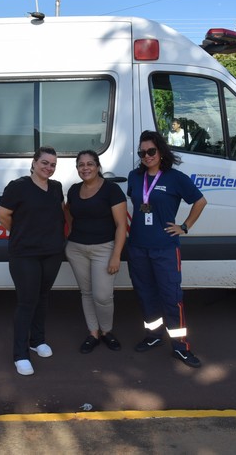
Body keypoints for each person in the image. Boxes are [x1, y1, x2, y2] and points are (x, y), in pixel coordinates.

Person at [126, 130, 207, 368]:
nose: (147, 156)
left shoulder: (175, 178)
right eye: (142, 153)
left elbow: (200, 201)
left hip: (165, 249)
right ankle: (153, 336)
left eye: (151, 151)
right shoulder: (134, 177)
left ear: (161, 152)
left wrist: (184, 226)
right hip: (138, 248)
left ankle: (180, 347)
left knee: (172, 298)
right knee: (146, 295)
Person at [0, 146, 65, 376]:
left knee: (43, 297)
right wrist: (21, 233)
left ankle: (37, 341)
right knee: (27, 302)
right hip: (24, 254)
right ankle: (20, 354)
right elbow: (2, 214)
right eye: (45, 162)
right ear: (34, 163)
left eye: (53, 164)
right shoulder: (18, 187)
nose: (49, 167)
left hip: (52, 253)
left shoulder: (56, 188)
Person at [65, 150, 128, 354]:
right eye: (81, 165)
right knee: (86, 292)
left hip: (104, 249)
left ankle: (106, 331)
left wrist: (116, 255)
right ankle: (93, 333)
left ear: (98, 167)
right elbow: (68, 213)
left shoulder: (112, 190)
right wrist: (74, 234)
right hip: (76, 249)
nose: (86, 168)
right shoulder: (74, 190)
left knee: (102, 296)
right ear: (77, 168)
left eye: (90, 164)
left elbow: (121, 225)